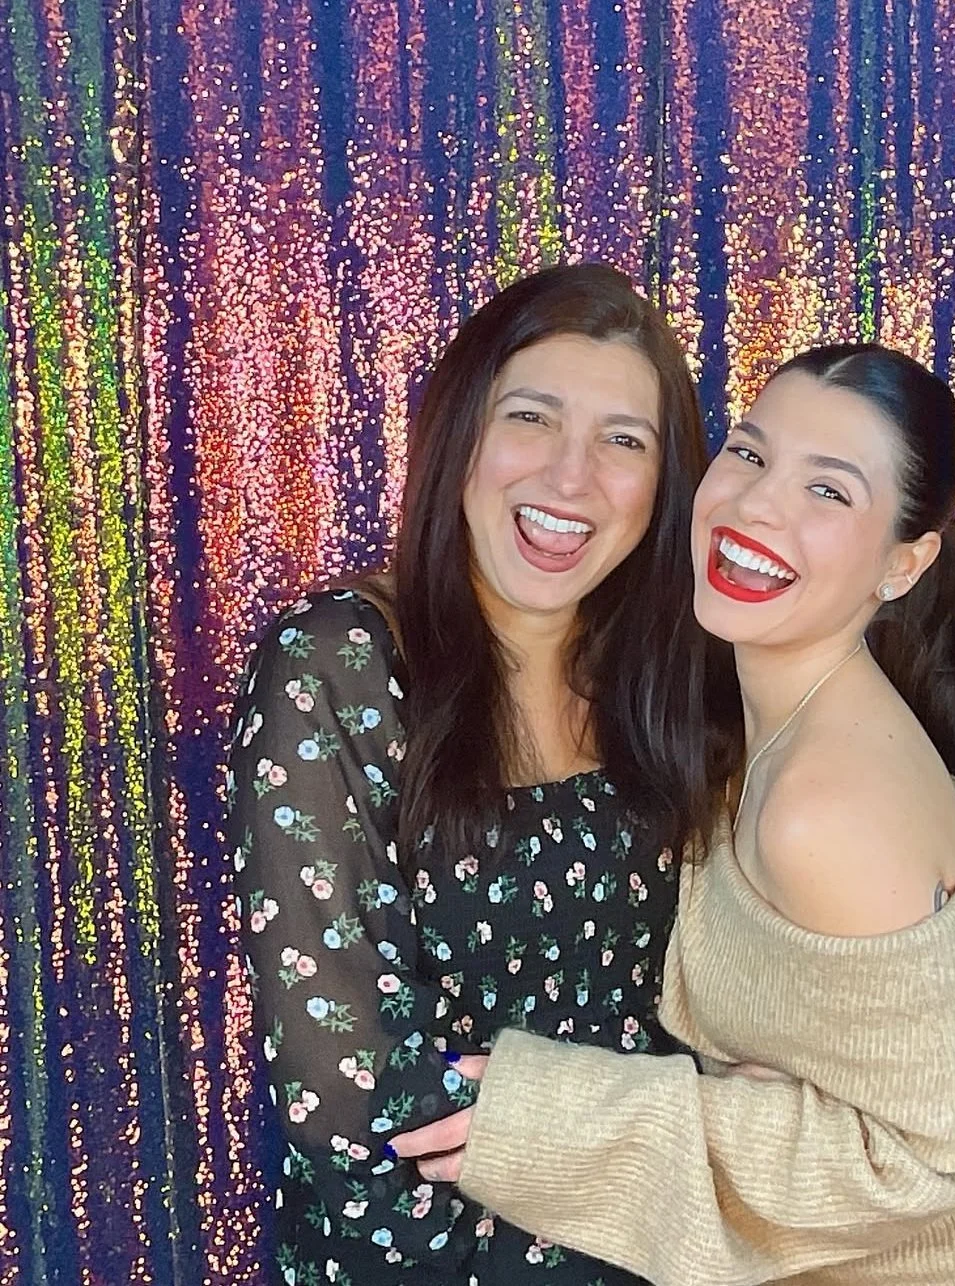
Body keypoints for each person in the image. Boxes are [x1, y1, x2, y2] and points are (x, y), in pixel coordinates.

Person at [390, 344, 955, 1284]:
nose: (757, 506)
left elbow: (925, 1161)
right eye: (749, 454)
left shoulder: (822, 804)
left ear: (903, 563)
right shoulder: (752, 713)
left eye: (828, 491)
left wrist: (557, 1121)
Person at [226, 263, 742, 1284]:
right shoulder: (336, 665)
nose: (569, 477)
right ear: (459, 432)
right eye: (531, 417)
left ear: (665, 489)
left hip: (666, 1249)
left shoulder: (674, 682)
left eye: (623, 441)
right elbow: (351, 1094)